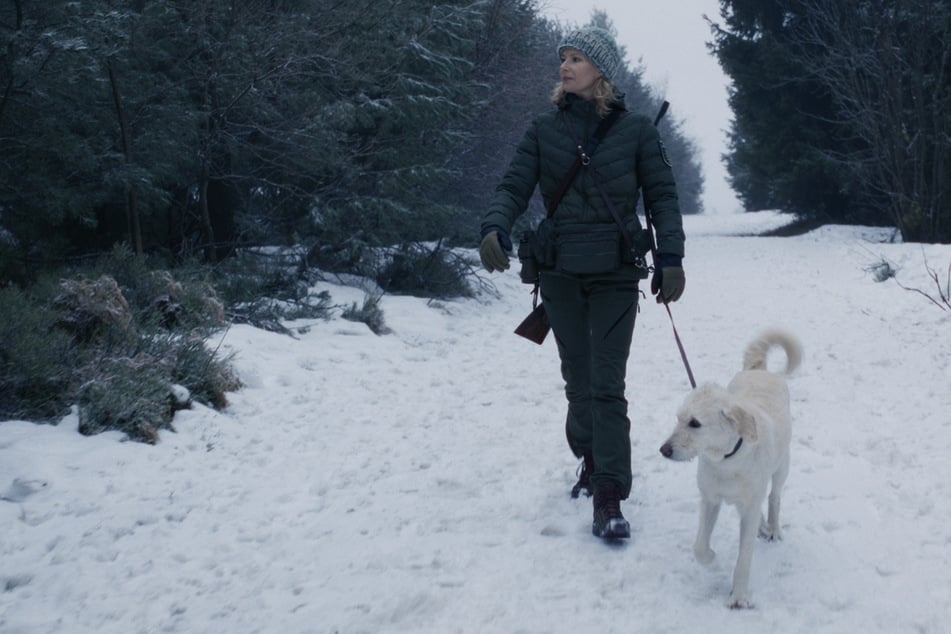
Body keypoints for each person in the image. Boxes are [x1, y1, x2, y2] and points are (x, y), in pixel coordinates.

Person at [478, 25, 686, 540]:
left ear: (601, 71)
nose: (565, 66)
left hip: (616, 273)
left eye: (576, 59)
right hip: (561, 274)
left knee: (606, 383)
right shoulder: (542, 130)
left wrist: (671, 257)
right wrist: (494, 225)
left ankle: (610, 494)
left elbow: (662, 197)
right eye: (563, 59)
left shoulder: (638, 130)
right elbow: (513, 185)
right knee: (578, 381)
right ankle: (591, 461)